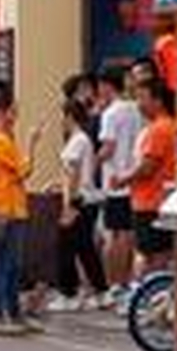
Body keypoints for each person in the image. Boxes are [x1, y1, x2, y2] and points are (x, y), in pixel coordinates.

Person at [0, 85, 37, 336]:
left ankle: (9, 314)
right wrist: (32, 144)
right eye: (13, 111)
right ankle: (2, 317)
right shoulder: (1, 140)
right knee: (7, 264)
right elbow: (23, 172)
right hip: (8, 208)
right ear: (2, 112)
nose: (16, 115)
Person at [96, 65, 147, 302]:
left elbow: (108, 148)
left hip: (116, 181)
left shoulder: (111, 113)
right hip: (135, 179)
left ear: (106, 85)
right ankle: (127, 283)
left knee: (115, 236)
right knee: (128, 234)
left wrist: (90, 163)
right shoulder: (138, 109)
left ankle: (115, 284)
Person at [54, 96, 109, 311]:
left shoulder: (77, 140)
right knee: (85, 248)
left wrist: (69, 205)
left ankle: (69, 294)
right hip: (87, 200)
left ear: (69, 116)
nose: (61, 121)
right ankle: (101, 291)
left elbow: (73, 175)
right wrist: (58, 185)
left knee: (64, 247)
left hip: (79, 200)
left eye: (63, 116)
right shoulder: (83, 139)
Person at [132, 79, 177, 266]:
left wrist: (124, 179)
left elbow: (148, 168)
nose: (138, 104)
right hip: (161, 200)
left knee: (152, 256)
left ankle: (152, 293)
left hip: (150, 201)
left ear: (158, 101)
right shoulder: (171, 125)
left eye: (142, 98)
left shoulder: (158, 130)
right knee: (161, 254)